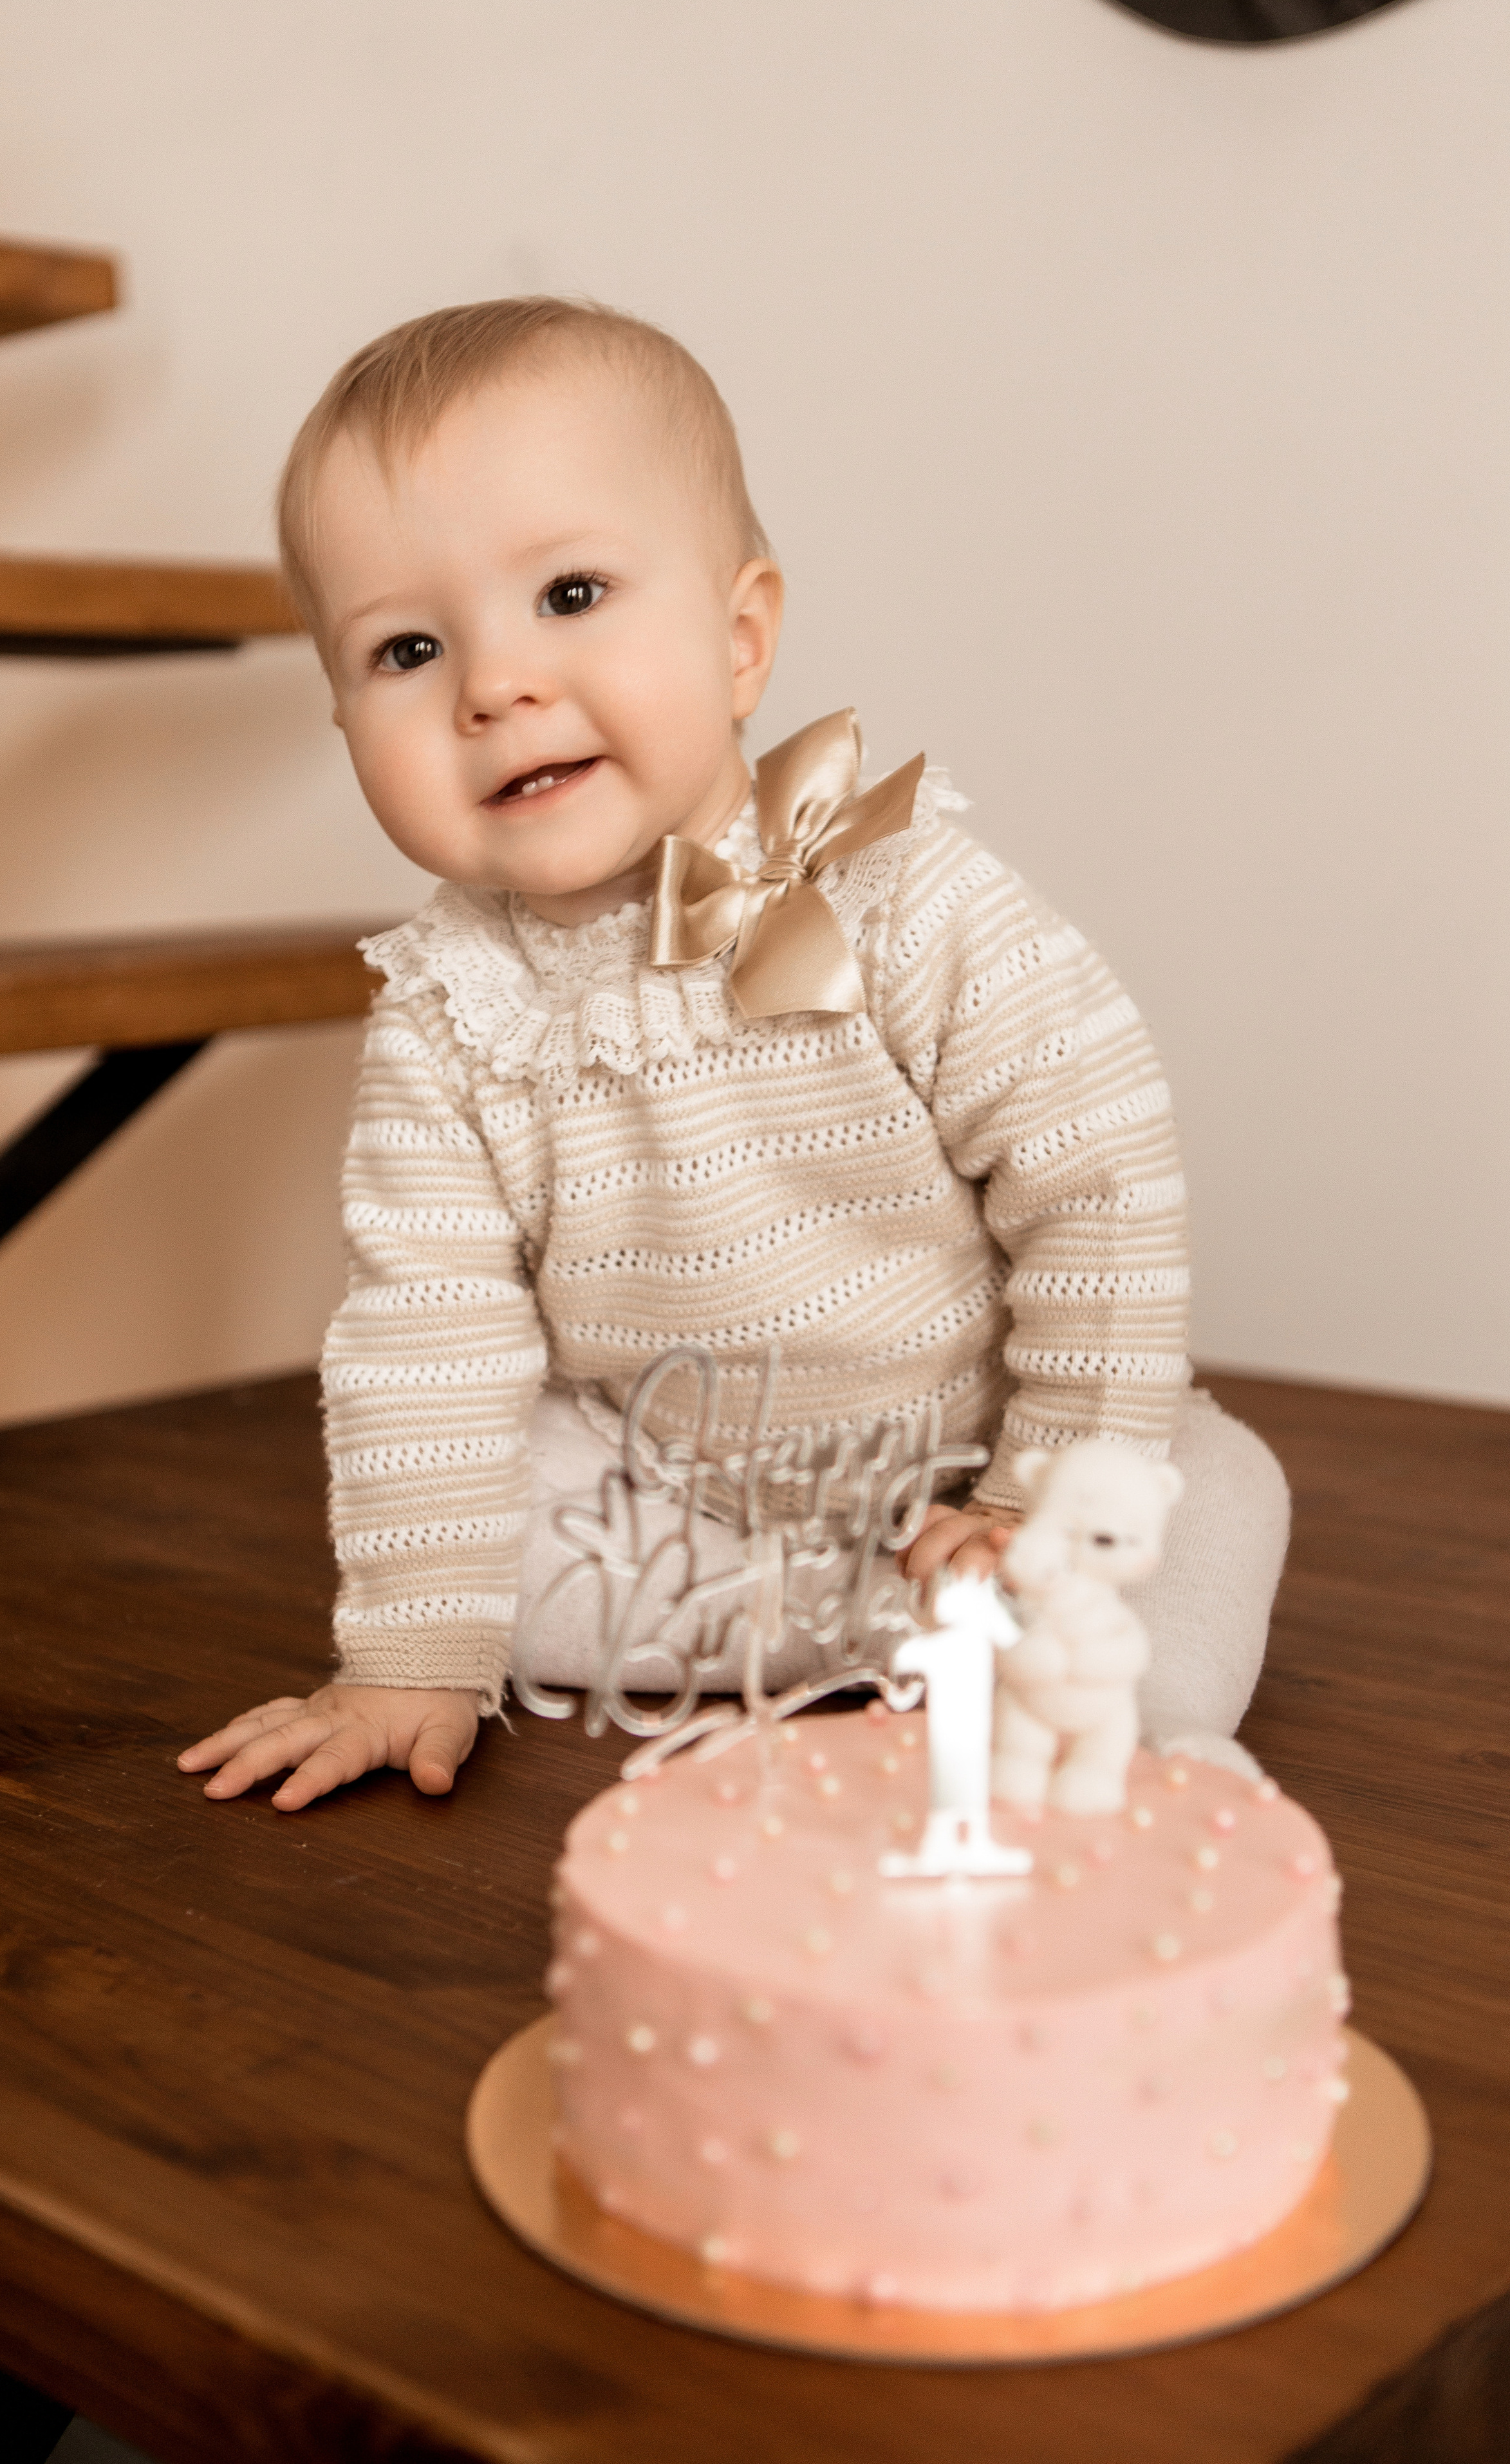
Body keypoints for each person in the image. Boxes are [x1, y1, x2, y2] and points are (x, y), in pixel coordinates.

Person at [180, 297, 1288, 1814]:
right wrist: (411, 1655)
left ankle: (1116, 1713)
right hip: (684, 1483)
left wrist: (1037, 1489)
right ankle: (901, 1639)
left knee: (1208, 1491)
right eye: (407, 646)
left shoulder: (893, 886)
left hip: (978, 1446)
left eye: (568, 593)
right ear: (342, 711)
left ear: (740, 634)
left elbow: (1093, 1176)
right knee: (489, 1552)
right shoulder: (448, 1007)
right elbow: (425, 1332)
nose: (490, 685)